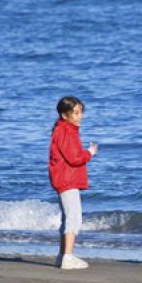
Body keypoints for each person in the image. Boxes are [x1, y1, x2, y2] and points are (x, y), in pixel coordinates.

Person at [49, 96, 98, 270]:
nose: (80, 116)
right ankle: (68, 257)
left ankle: (62, 255)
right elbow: (74, 158)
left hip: (65, 179)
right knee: (74, 218)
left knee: (67, 217)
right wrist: (90, 153)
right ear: (64, 115)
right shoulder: (65, 131)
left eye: (81, 112)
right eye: (75, 113)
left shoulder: (64, 130)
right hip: (66, 179)